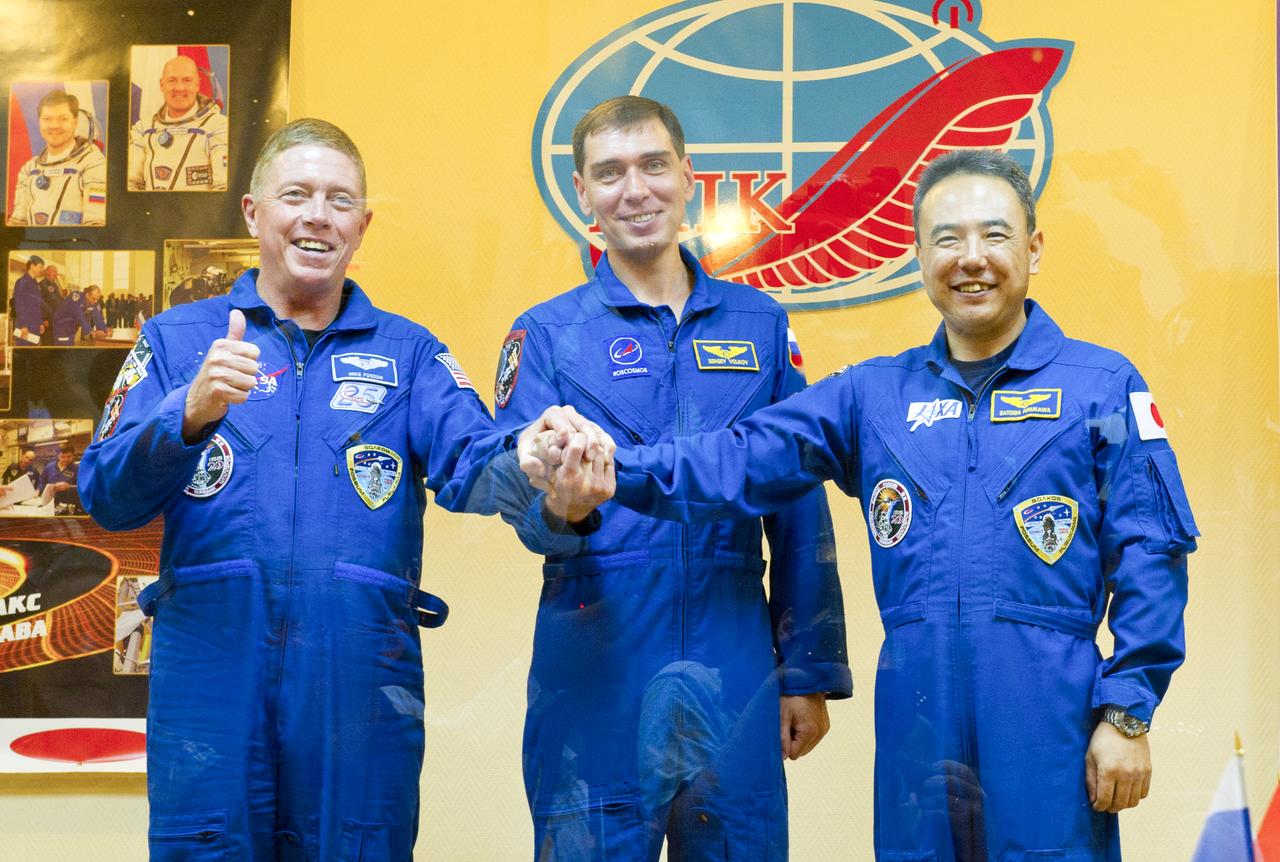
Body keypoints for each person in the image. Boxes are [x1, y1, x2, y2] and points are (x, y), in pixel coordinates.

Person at [525, 150, 1198, 861]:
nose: (971, 258)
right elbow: (736, 458)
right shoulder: (874, 396)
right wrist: (608, 465)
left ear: (1033, 248)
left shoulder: (1100, 386)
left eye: (994, 235)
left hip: (1048, 720)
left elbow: (1151, 553)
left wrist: (1128, 712)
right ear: (918, 256)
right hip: (918, 722)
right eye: (947, 239)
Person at [80, 117, 605, 861]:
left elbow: (473, 462)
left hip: (359, 683)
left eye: (339, 200)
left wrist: (532, 456)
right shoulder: (177, 341)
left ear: (362, 226)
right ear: (253, 213)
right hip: (211, 677)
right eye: (296, 195)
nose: (318, 215)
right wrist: (185, 415)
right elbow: (104, 493)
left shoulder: (410, 353)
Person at [495, 96, 850, 861]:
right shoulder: (547, 334)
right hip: (598, 659)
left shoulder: (760, 326)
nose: (636, 190)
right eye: (610, 173)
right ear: (583, 194)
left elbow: (797, 502)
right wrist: (563, 509)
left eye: (653, 165)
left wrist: (808, 671)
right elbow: (519, 499)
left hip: (734, 658)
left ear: (689, 176)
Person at [128, 54, 229, 191]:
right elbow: (131, 184)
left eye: (187, 80)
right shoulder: (143, 129)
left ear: (197, 85)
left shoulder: (218, 127)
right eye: (172, 80)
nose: (179, 88)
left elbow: (223, 189)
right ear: (161, 85)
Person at [8, 90, 106, 226]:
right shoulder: (29, 169)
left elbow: (96, 224)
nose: (54, 126)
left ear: (75, 122)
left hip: (75, 240)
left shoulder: (94, 164)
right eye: (47, 119)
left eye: (63, 119)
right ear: (39, 122)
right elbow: (17, 223)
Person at [12, 255, 46, 344]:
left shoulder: (36, 284)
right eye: (40, 267)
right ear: (32, 266)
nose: (42, 270)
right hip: (25, 326)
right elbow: (19, 305)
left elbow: (38, 306)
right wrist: (23, 325)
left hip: (35, 325)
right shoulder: (22, 282)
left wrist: (40, 323)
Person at [40, 446, 80, 512]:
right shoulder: (49, 467)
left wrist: (69, 487)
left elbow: (81, 487)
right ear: (58, 456)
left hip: (68, 503)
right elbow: (42, 482)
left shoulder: (77, 469)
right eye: (63, 457)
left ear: (73, 455)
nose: (66, 459)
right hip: (49, 502)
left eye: (69, 457)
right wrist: (37, 491)